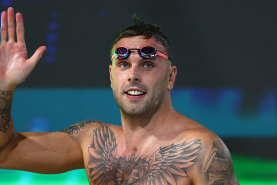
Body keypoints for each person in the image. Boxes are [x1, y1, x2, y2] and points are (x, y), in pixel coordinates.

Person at [0, 7, 239, 185]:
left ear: (171, 77)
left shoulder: (202, 150)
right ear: (111, 76)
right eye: (124, 64)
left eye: (147, 65)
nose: (133, 75)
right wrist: (5, 87)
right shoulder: (93, 140)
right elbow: (5, 153)